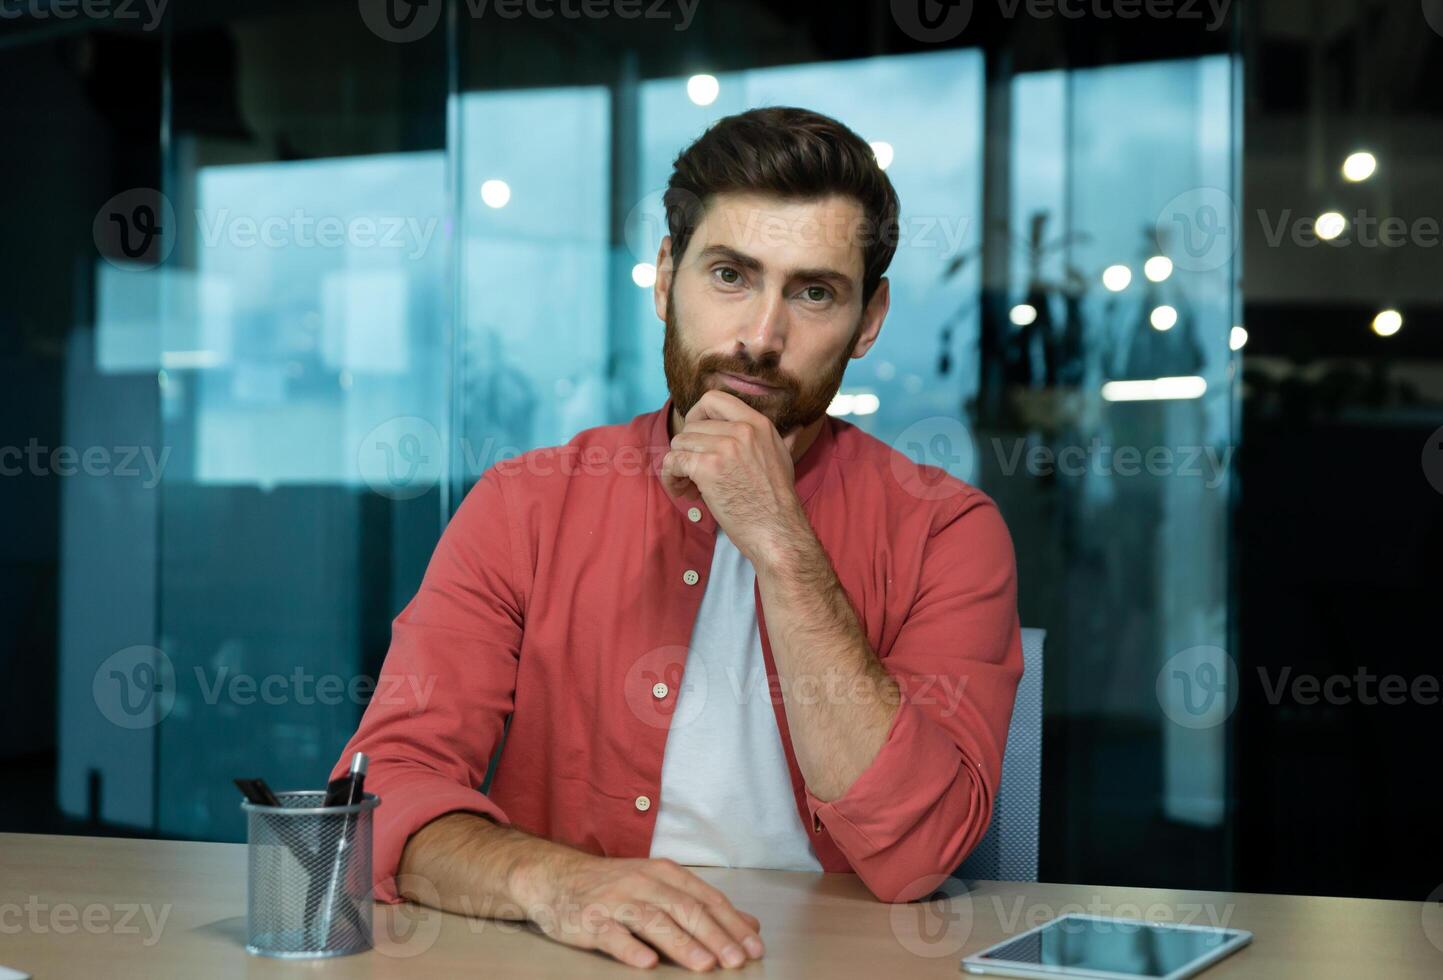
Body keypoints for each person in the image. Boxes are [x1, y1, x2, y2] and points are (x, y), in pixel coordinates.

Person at [330, 105, 1023, 972]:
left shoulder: (949, 531)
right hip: (580, 959)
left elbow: (920, 850)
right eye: (730, 275)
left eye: (814, 292)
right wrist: (557, 883)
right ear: (665, 277)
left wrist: (779, 538)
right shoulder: (524, 505)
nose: (762, 338)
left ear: (869, 319)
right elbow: (378, 793)